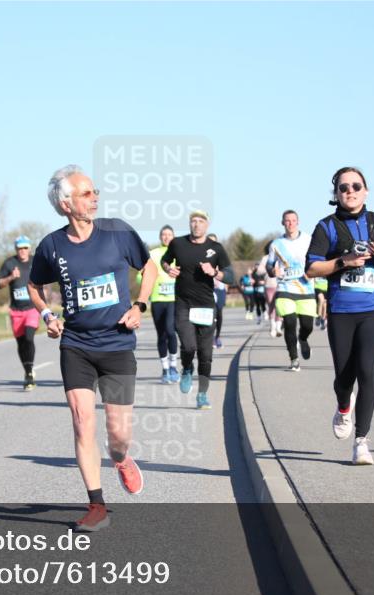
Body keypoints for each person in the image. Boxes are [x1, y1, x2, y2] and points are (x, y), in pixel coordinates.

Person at [27, 165, 156, 532]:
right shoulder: (52, 246)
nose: (95, 197)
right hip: (77, 345)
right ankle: (96, 504)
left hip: (116, 344)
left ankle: (120, 458)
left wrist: (139, 305)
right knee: (83, 423)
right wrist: (48, 315)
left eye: (94, 191)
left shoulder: (117, 231)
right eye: (86, 193)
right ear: (65, 203)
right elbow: (34, 286)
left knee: (118, 434)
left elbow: (149, 268)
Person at [305, 167, 374, 466]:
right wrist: (343, 262)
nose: (350, 191)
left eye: (356, 186)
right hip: (342, 312)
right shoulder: (327, 227)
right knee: (344, 378)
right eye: (343, 187)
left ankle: (361, 442)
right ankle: (342, 406)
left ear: (366, 190)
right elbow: (311, 268)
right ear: (336, 193)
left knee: (367, 372)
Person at [161, 211, 234, 410]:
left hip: (206, 305)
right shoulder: (178, 243)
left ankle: (202, 394)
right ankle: (186, 368)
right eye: (193, 221)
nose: (197, 224)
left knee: (205, 354)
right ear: (190, 224)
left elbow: (231, 276)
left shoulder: (215, 248)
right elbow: (165, 260)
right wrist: (168, 269)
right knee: (188, 346)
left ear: (207, 225)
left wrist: (215, 272)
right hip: (183, 303)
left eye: (201, 221)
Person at [268, 210, 315, 371]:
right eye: (287, 221)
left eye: (293, 220)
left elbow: (317, 259)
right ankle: (294, 358)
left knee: (308, 325)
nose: (290, 223)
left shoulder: (309, 240)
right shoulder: (276, 244)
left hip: (306, 288)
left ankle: (303, 339)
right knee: (289, 322)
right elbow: (269, 265)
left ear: (298, 222)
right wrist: (273, 272)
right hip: (285, 287)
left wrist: (312, 272)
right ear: (283, 223)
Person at [0, 235, 40, 390]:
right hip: (16, 310)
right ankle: (27, 370)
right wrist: (11, 277)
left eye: (25, 248)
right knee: (21, 343)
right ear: (16, 249)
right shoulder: (9, 263)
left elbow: (46, 277)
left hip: (32, 308)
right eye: (19, 248)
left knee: (29, 338)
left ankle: (29, 374)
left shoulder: (35, 261)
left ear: (29, 248)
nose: (22, 251)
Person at [140, 225, 179, 384]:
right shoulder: (153, 254)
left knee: (171, 331)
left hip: (174, 299)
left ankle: (174, 366)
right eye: (164, 234)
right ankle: (164, 369)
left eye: (169, 234)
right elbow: (139, 277)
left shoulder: (179, 253)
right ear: (160, 237)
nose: (166, 237)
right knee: (161, 335)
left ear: (173, 236)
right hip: (157, 300)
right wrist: (144, 278)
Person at [207, 233, 227, 349]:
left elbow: (226, 272)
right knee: (209, 314)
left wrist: (225, 287)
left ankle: (217, 337)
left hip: (219, 289)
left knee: (219, 314)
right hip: (207, 289)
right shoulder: (201, 254)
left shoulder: (221, 255)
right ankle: (209, 338)